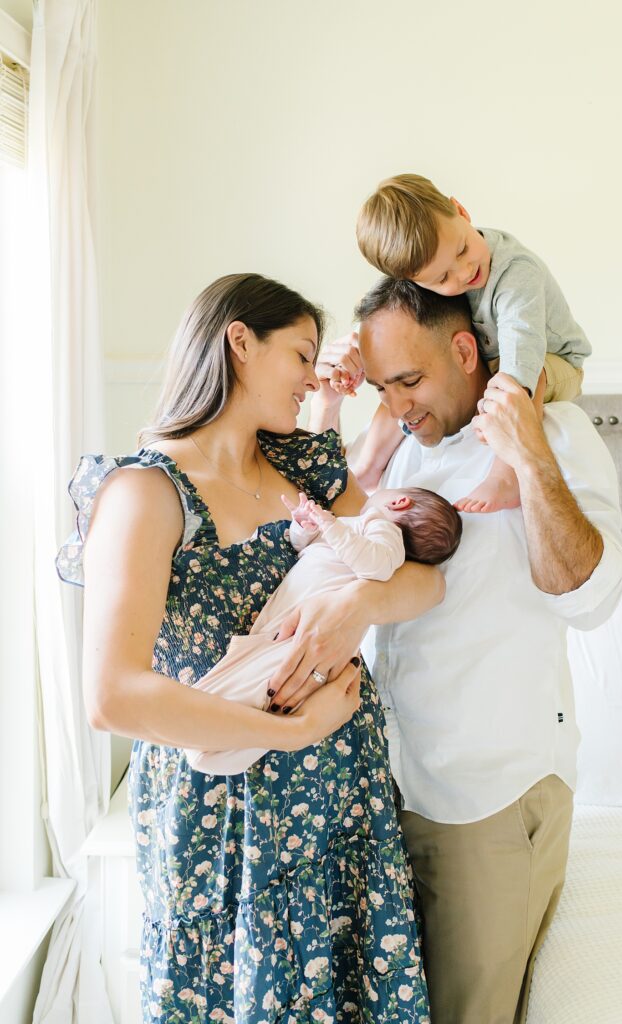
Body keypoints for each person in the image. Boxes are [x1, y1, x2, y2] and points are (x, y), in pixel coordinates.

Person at [56, 273, 445, 1024]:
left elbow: (423, 580)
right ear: (240, 342)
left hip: (341, 810)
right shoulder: (145, 492)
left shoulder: (302, 471)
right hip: (229, 823)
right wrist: (293, 731)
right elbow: (112, 697)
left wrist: (356, 604)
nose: (311, 379)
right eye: (299, 355)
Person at [309, 277, 622, 1024]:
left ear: (462, 350)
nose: (398, 404)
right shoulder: (401, 443)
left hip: (488, 801)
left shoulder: (557, 430)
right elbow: (321, 528)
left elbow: (591, 600)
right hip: (390, 790)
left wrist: (529, 458)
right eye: (383, 388)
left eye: (409, 381)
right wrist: (329, 403)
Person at [347, 173, 591, 513]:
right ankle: (367, 464)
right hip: (496, 357)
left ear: (460, 211)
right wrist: (357, 350)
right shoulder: (428, 266)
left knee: (521, 380)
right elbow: (392, 317)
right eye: (442, 278)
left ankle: (506, 475)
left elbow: (522, 352)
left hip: (553, 360)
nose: (463, 272)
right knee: (397, 381)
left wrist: (498, 408)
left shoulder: (516, 273)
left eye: (462, 249)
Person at [186, 486, 461, 774]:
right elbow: (305, 547)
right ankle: (242, 741)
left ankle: (240, 742)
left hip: (298, 640)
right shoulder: (355, 530)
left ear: (399, 501)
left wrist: (331, 525)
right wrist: (305, 527)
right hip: (285, 634)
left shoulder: (382, 529)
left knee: (208, 727)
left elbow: (375, 565)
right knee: (208, 724)